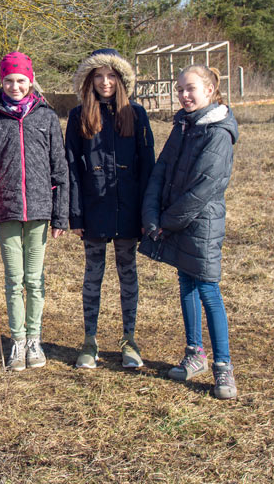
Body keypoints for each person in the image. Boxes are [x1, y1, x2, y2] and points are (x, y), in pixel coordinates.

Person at [139, 65, 239, 400]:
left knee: (208, 291)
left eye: (191, 88)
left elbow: (203, 188)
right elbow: (161, 169)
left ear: (210, 90)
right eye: (180, 88)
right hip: (175, 222)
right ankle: (195, 354)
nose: (184, 94)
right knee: (186, 285)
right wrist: (151, 213)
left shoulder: (218, 132)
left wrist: (166, 222)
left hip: (202, 226)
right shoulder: (183, 126)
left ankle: (223, 368)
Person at [0, 51, 69, 372]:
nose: (15, 86)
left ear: (30, 81)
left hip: (41, 210)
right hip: (5, 211)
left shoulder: (46, 118)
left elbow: (60, 168)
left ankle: (35, 338)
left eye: (21, 81)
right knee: (14, 279)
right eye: (9, 81)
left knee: (35, 279)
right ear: (1, 82)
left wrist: (61, 214)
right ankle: (17, 341)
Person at [65, 48, 155, 370]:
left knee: (127, 274)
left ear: (121, 80)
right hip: (94, 211)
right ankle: (90, 340)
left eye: (111, 76)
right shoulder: (78, 117)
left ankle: (129, 339)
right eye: (99, 76)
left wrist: (148, 214)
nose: (105, 82)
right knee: (93, 276)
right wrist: (74, 214)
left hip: (129, 213)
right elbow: (71, 168)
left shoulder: (138, 115)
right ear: (90, 80)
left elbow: (149, 168)